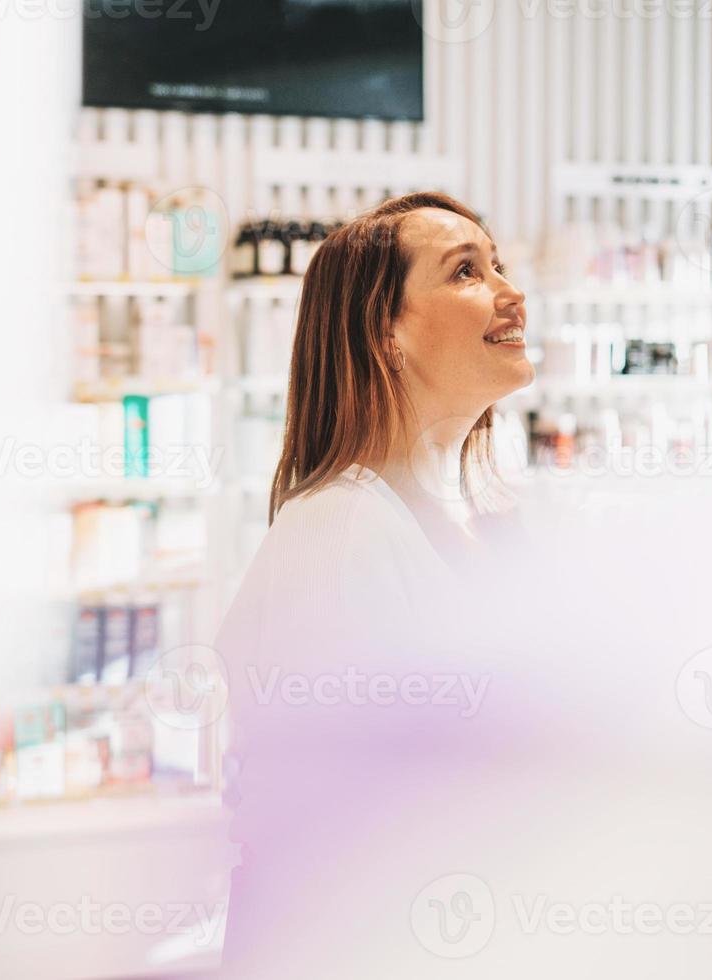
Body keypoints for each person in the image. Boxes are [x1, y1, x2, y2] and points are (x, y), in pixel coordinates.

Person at [211, 192, 535, 975]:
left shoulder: (462, 521)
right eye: (466, 271)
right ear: (384, 334)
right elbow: (345, 845)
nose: (510, 291)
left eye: (498, 264)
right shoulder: (341, 536)